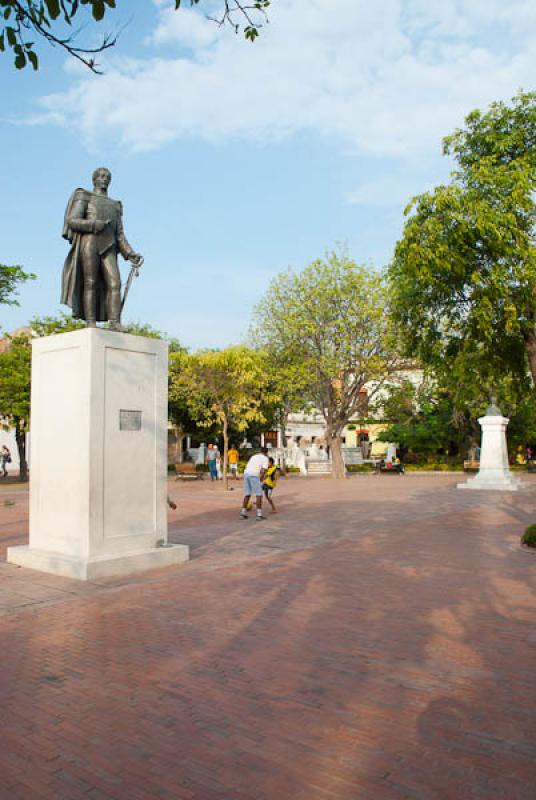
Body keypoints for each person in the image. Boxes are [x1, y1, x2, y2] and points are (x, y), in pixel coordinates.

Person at [61, 167, 143, 330]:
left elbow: (119, 234)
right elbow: (72, 220)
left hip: (109, 246)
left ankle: (115, 322)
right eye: (101, 176)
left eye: (107, 176)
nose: (104, 178)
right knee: (89, 282)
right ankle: (90, 321)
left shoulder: (115, 205)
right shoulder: (84, 196)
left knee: (115, 283)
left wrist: (129, 253)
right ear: (94, 179)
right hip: (89, 242)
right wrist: (93, 224)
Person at [240, 446, 269, 521]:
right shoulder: (265, 458)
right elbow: (263, 471)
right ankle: (259, 515)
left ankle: (243, 513)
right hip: (254, 475)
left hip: (246, 473)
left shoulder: (254, 456)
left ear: (260, 451)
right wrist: (261, 479)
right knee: (259, 495)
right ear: (266, 453)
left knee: (247, 494)